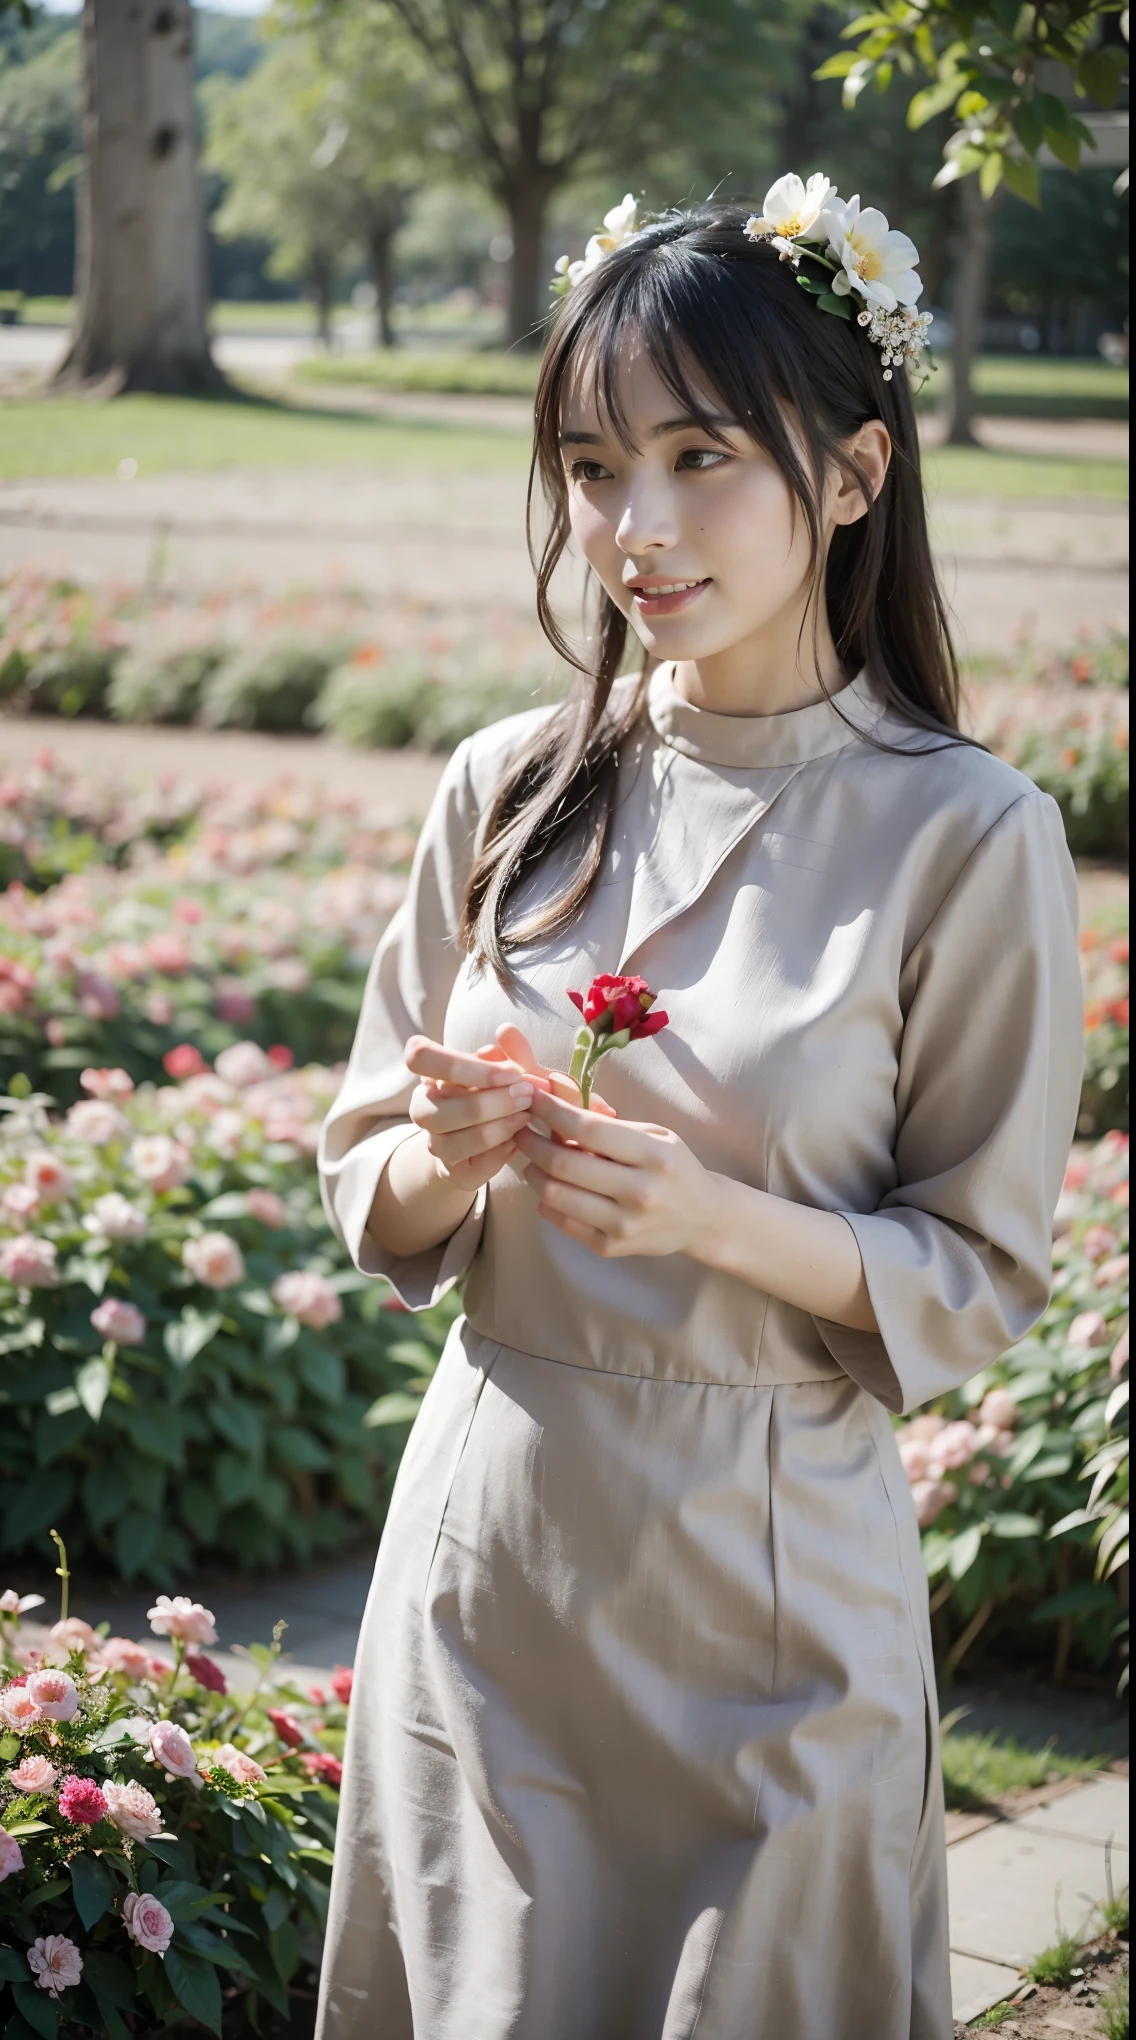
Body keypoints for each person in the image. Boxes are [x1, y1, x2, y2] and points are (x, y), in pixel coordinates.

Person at [315, 185, 1083, 2040]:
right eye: (590, 466)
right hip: (490, 1562)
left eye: (697, 456)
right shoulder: (506, 784)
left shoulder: (968, 835)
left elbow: (976, 1269)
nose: (633, 530)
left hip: (773, 1589)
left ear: (850, 474)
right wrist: (447, 1152)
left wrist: (708, 1216)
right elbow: (373, 1182)